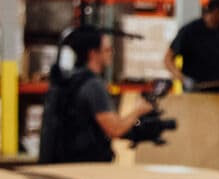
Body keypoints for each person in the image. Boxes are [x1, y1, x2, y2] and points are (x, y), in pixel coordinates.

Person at [36, 28, 149, 164]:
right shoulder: (93, 86)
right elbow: (115, 129)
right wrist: (139, 110)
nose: (111, 54)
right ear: (93, 53)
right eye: (107, 50)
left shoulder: (70, 80)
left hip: (64, 163)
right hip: (85, 166)